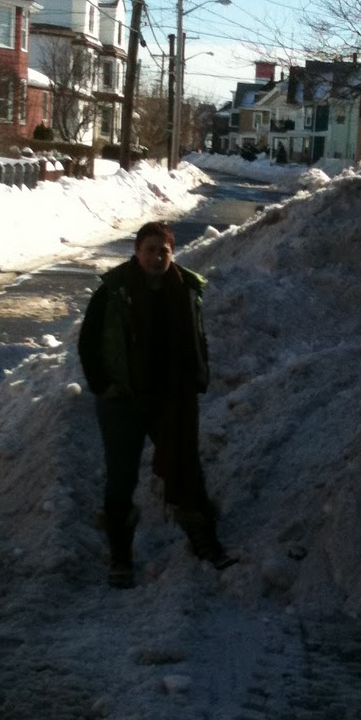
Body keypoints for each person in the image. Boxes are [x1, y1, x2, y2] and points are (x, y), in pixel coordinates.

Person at [77, 221, 232, 587]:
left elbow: (197, 338)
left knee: (185, 469)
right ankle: (120, 555)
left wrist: (198, 376)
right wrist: (103, 385)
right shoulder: (113, 291)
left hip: (171, 399)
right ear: (136, 251)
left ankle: (204, 541)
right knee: (121, 477)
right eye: (149, 249)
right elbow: (89, 343)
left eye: (163, 250)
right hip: (123, 401)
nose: (156, 257)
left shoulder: (187, 289)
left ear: (172, 253)